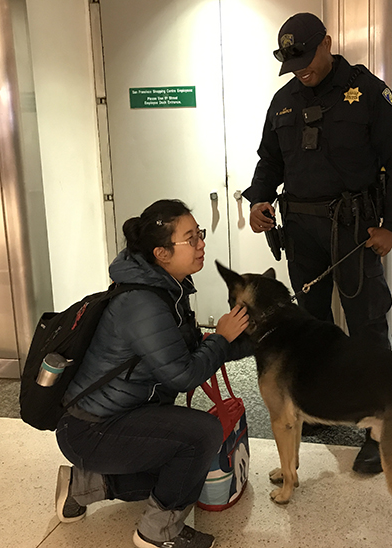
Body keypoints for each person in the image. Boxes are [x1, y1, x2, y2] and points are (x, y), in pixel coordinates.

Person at [242, 13, 392, 475]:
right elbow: (270, 161)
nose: (301, 69)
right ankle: (319, 410)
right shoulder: (283, 102)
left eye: (306, 58)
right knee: (312, 326)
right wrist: (260, 200)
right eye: (291, 62)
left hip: (354, 230)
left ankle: (379, 428)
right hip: (301, 230)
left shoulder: (366, 92)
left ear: (327, 42)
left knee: (366, 327)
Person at [54, 199, 250, 548]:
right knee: (202, 436)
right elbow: (183, 375)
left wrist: (258, 340)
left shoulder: (168, 291)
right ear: (161, 253)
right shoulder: (142, 303)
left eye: (199, 234)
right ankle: (157, 533)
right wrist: (221, 337)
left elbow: (189, 352)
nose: (201, 243)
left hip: (121, 417)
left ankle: (82, 485)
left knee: (188, 470)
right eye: (191, 238)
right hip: (93, 429)